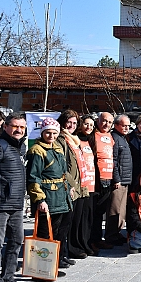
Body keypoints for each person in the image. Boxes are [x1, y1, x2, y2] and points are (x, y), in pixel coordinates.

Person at [0, 113, 28, 282]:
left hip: (16, 204)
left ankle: (8, 277)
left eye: (22, 127)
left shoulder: (17, 148)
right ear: (5, 127)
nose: (18, 130)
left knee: (16, 240)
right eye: (15, 126)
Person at [27, 117, 72, 270]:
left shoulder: (57, 148)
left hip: (61, 197)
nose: (51, 136)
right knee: (45, 234)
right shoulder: (37, 151)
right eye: (48, 133)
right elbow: (33, 177)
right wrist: (39, 199)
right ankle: (42, 268)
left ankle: (56, 262)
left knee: (60, 232)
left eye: (54, 133)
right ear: (42, 133)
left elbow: (63, 172)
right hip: (48, 198)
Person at [56, 110, 94, 262]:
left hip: (79, 185)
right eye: (69, 122)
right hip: (70, 186)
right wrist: (71, 184)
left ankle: (66, 252)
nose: (71, 125)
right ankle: (64, 252)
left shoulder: (74, 140)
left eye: (74, 123)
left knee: (73, 220)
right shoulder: (61, 139)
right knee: (66, 223)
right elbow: (63, 166)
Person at [88, 112, 115, 252]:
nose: (107, 124)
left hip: (108, 178)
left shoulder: (110, 136)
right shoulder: (92, 135)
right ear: (98, 121)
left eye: (110, 122)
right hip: (95, 180)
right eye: (104, 121)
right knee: (92, 213)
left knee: (100, 212)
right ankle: (91, 241)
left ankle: (98, 239)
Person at [105, 114, 133, 246]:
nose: (127, 128)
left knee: (121, 210)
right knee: (115, 209)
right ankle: (111, 236)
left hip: (125, 180)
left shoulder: (123, 138)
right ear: (116, 125)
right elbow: (113, 160)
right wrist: (116, 179)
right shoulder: (114, 139)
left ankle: (116, 233)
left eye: (128, 125)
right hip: (119, 181)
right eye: (124, 125)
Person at [74, 114, 96, 257]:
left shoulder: (91, 141)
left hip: (91, 184)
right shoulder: (76, 141)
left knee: (88, 217)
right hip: (79, 185)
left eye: (92, 125)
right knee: (78, 218)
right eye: (86, 124)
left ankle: (85, 243)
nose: (89, 127)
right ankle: (75, 246)